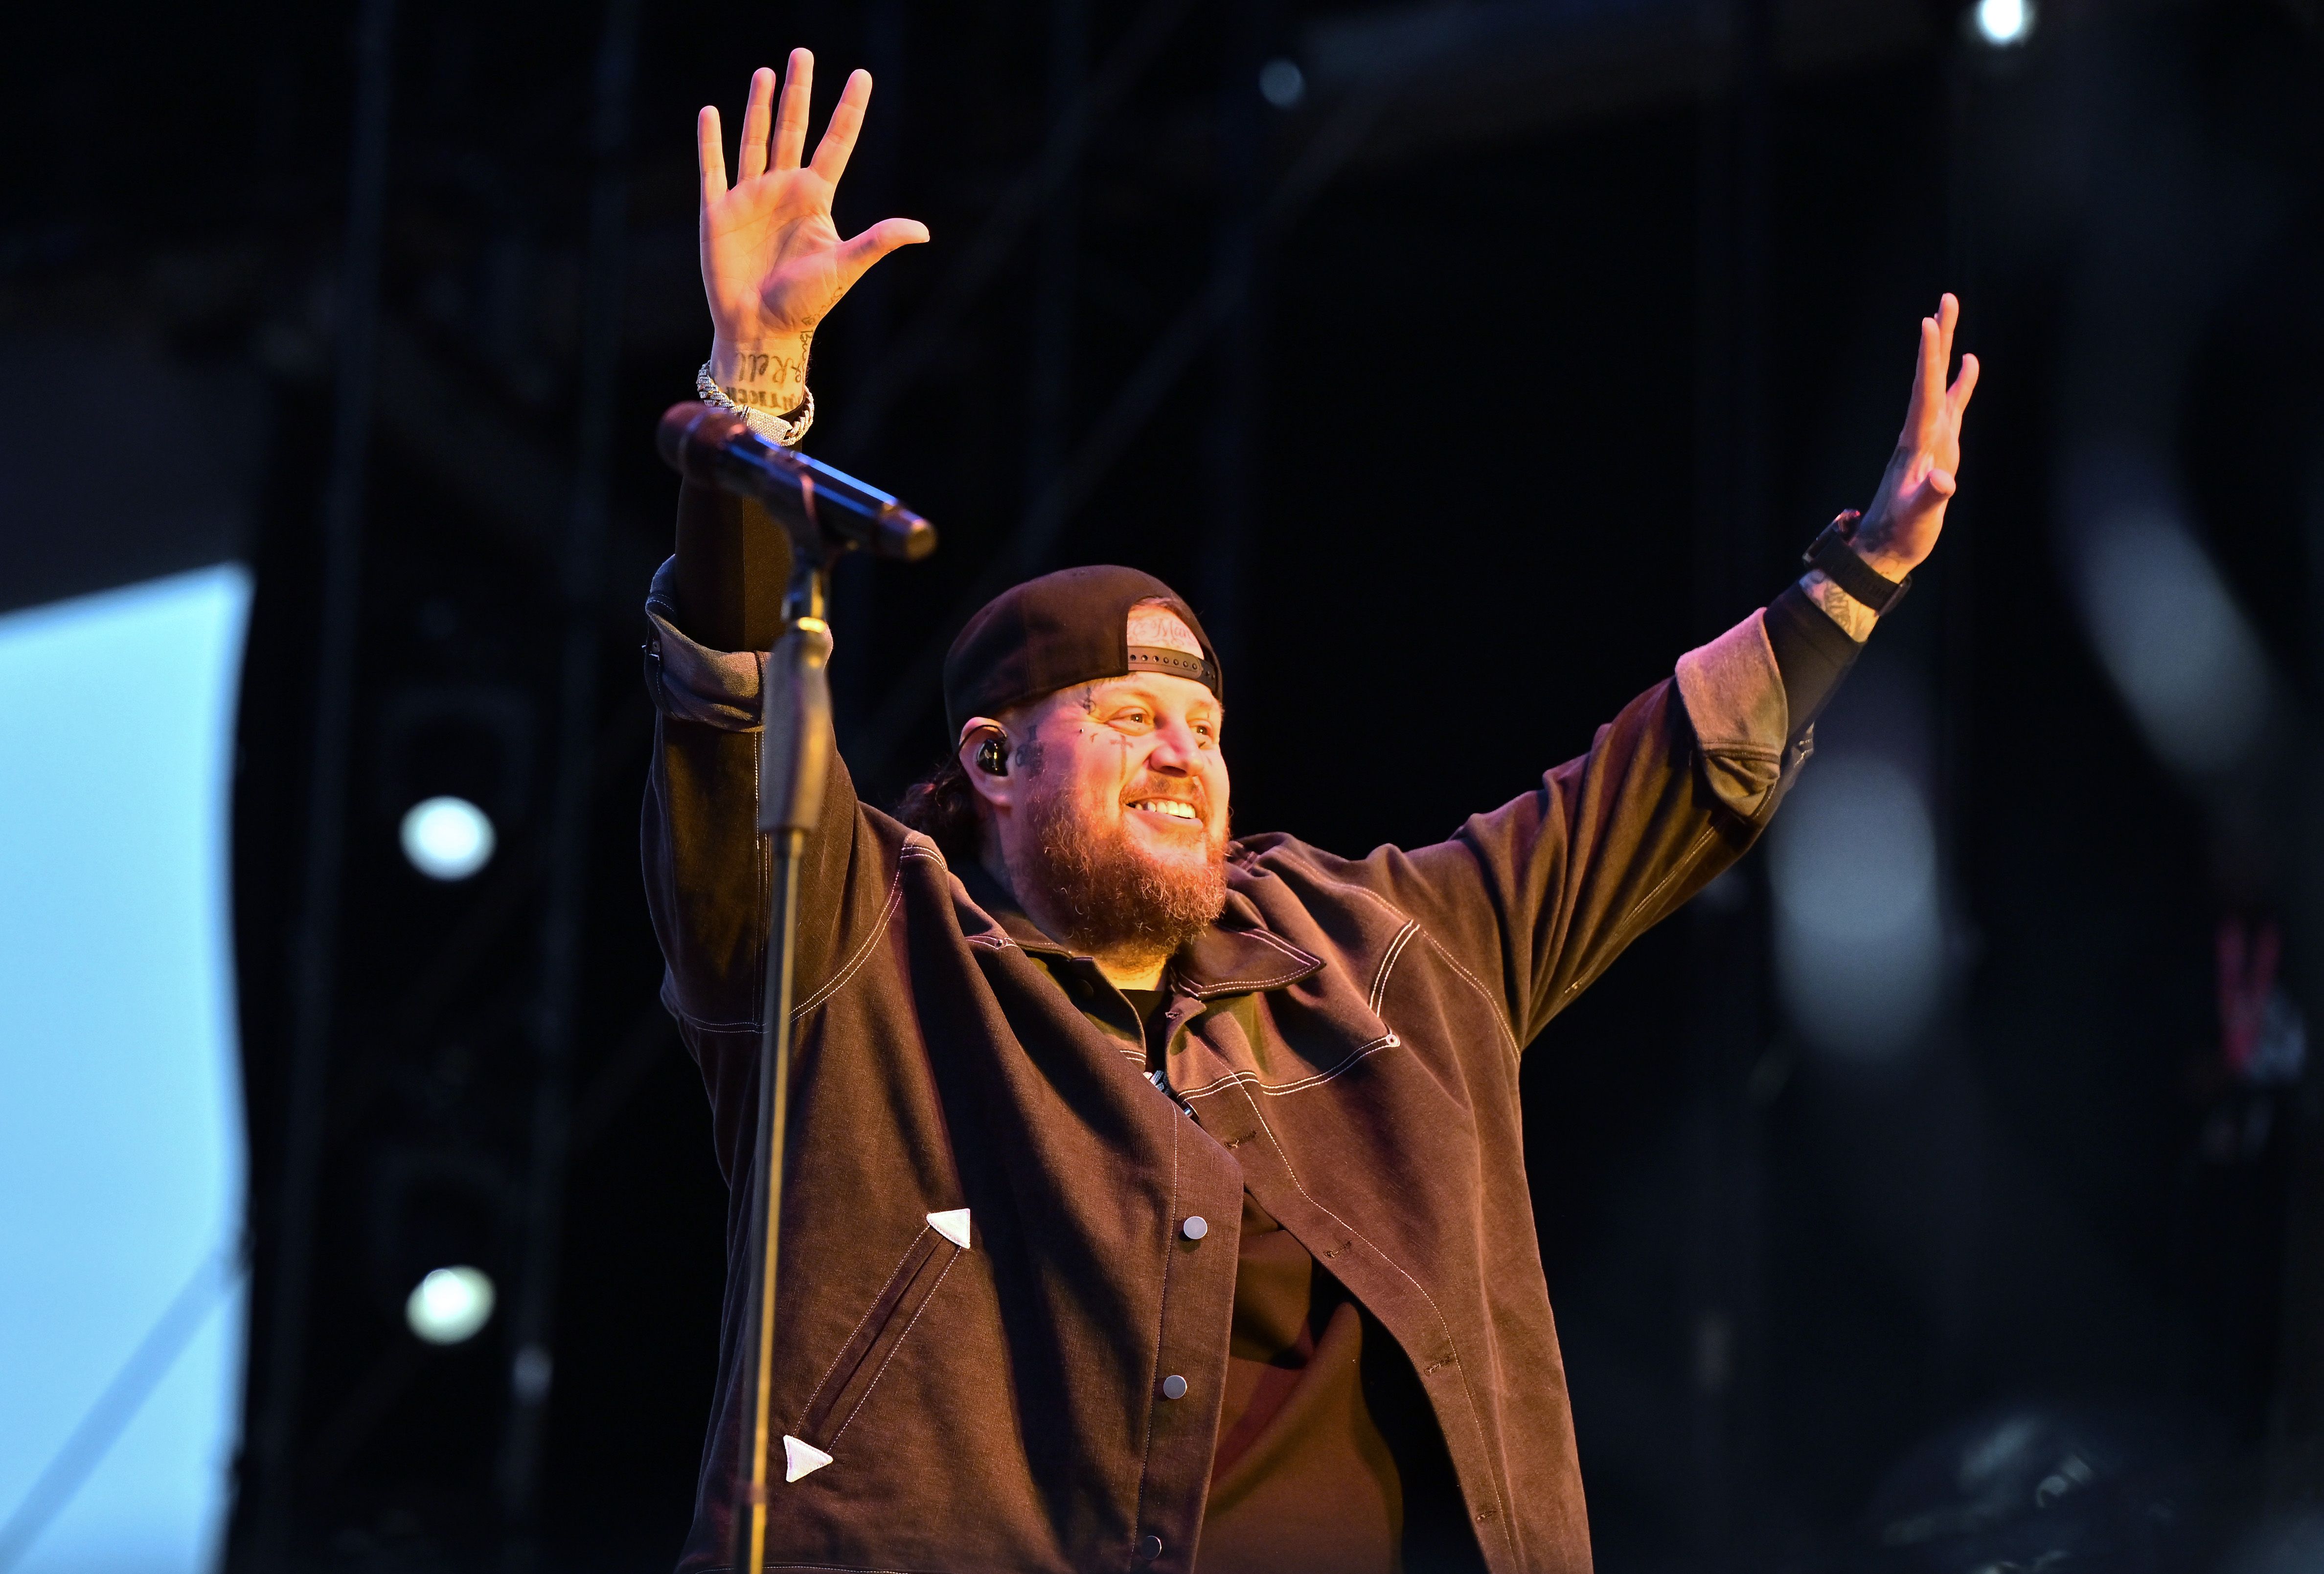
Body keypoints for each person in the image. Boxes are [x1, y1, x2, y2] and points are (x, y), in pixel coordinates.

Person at [643, 49, 1979, 1574]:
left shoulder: (1378, 949)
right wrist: (754, 390)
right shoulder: (864, 948)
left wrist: (1858, 578)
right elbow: (729, 711)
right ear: (995, 763)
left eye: (1206, 728)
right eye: (1127, 718)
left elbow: (1642, 789)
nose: (1182, 752)